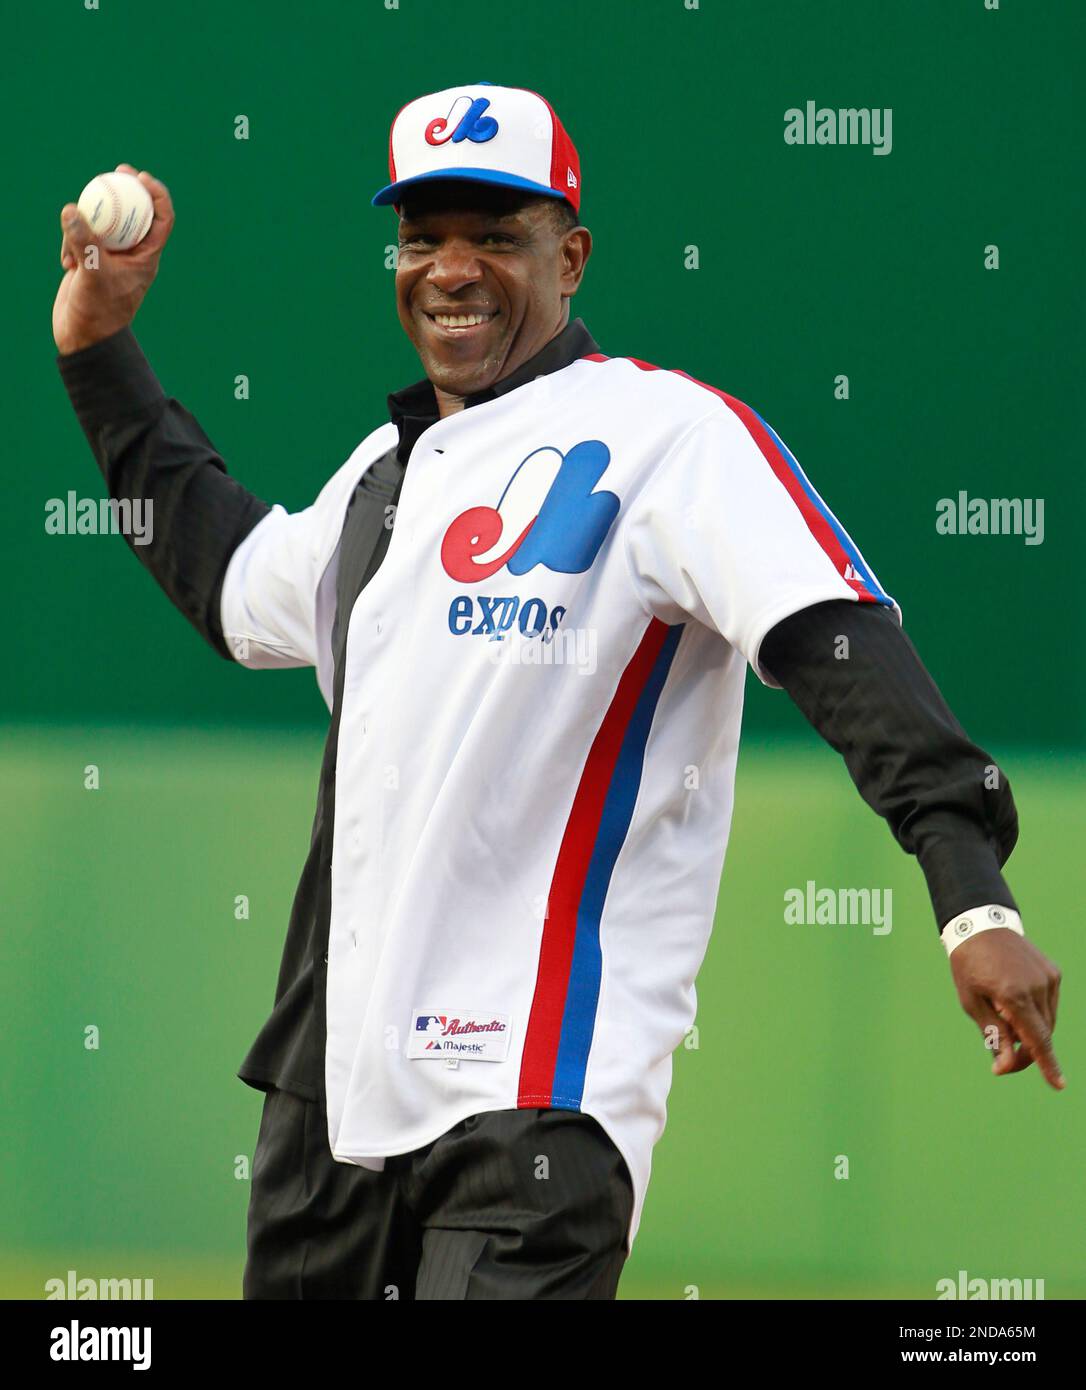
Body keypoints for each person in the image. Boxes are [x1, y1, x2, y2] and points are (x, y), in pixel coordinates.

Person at [53, 82, 1063, 1302]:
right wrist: (102, 352)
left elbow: (837, 641)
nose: (452, 268)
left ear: (570, 255)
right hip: (330, 1101)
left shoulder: (667, 439)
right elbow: (226, 581)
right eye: (424, 236)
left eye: (497, 232)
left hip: (537, 1099)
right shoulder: (385, 474)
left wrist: (969, 891)